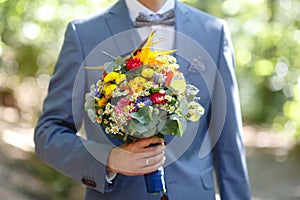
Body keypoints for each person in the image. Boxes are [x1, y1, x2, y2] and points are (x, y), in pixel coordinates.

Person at [34, 0, 251, 199]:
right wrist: (109, 159)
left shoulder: (213, 31)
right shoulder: (83, 33)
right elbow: (49, 132)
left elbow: (229, 140)